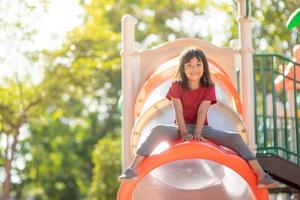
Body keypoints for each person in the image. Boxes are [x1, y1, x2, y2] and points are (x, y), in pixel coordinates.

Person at [118, 47, 279, 189]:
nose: (194, 69)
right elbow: (178, 111)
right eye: (189, 65)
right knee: (157, 130)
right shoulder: (176, 86)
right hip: (180, 127)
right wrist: (184, 134)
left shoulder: (209, 87)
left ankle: (261, 175)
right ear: (183, 68)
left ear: (204, 67)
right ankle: (132, 169)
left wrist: (198, 133)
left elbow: (203, 110)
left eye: (198, 64)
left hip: (203, 129)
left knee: (236, 138)